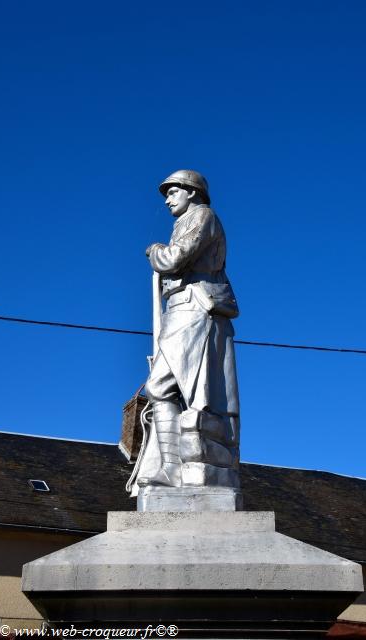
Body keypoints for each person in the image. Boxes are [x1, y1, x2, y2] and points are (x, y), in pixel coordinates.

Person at [135, 170, 240, 489]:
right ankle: (171, 466)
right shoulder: (186, 221)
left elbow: (175, 258)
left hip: (195, 309)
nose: (167, 198)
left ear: (192, 192)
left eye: (173, 191)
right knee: (160, 389)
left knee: (182, 391)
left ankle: (178, 465)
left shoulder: (203, 216)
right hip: (181, 310)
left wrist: (155, 251)